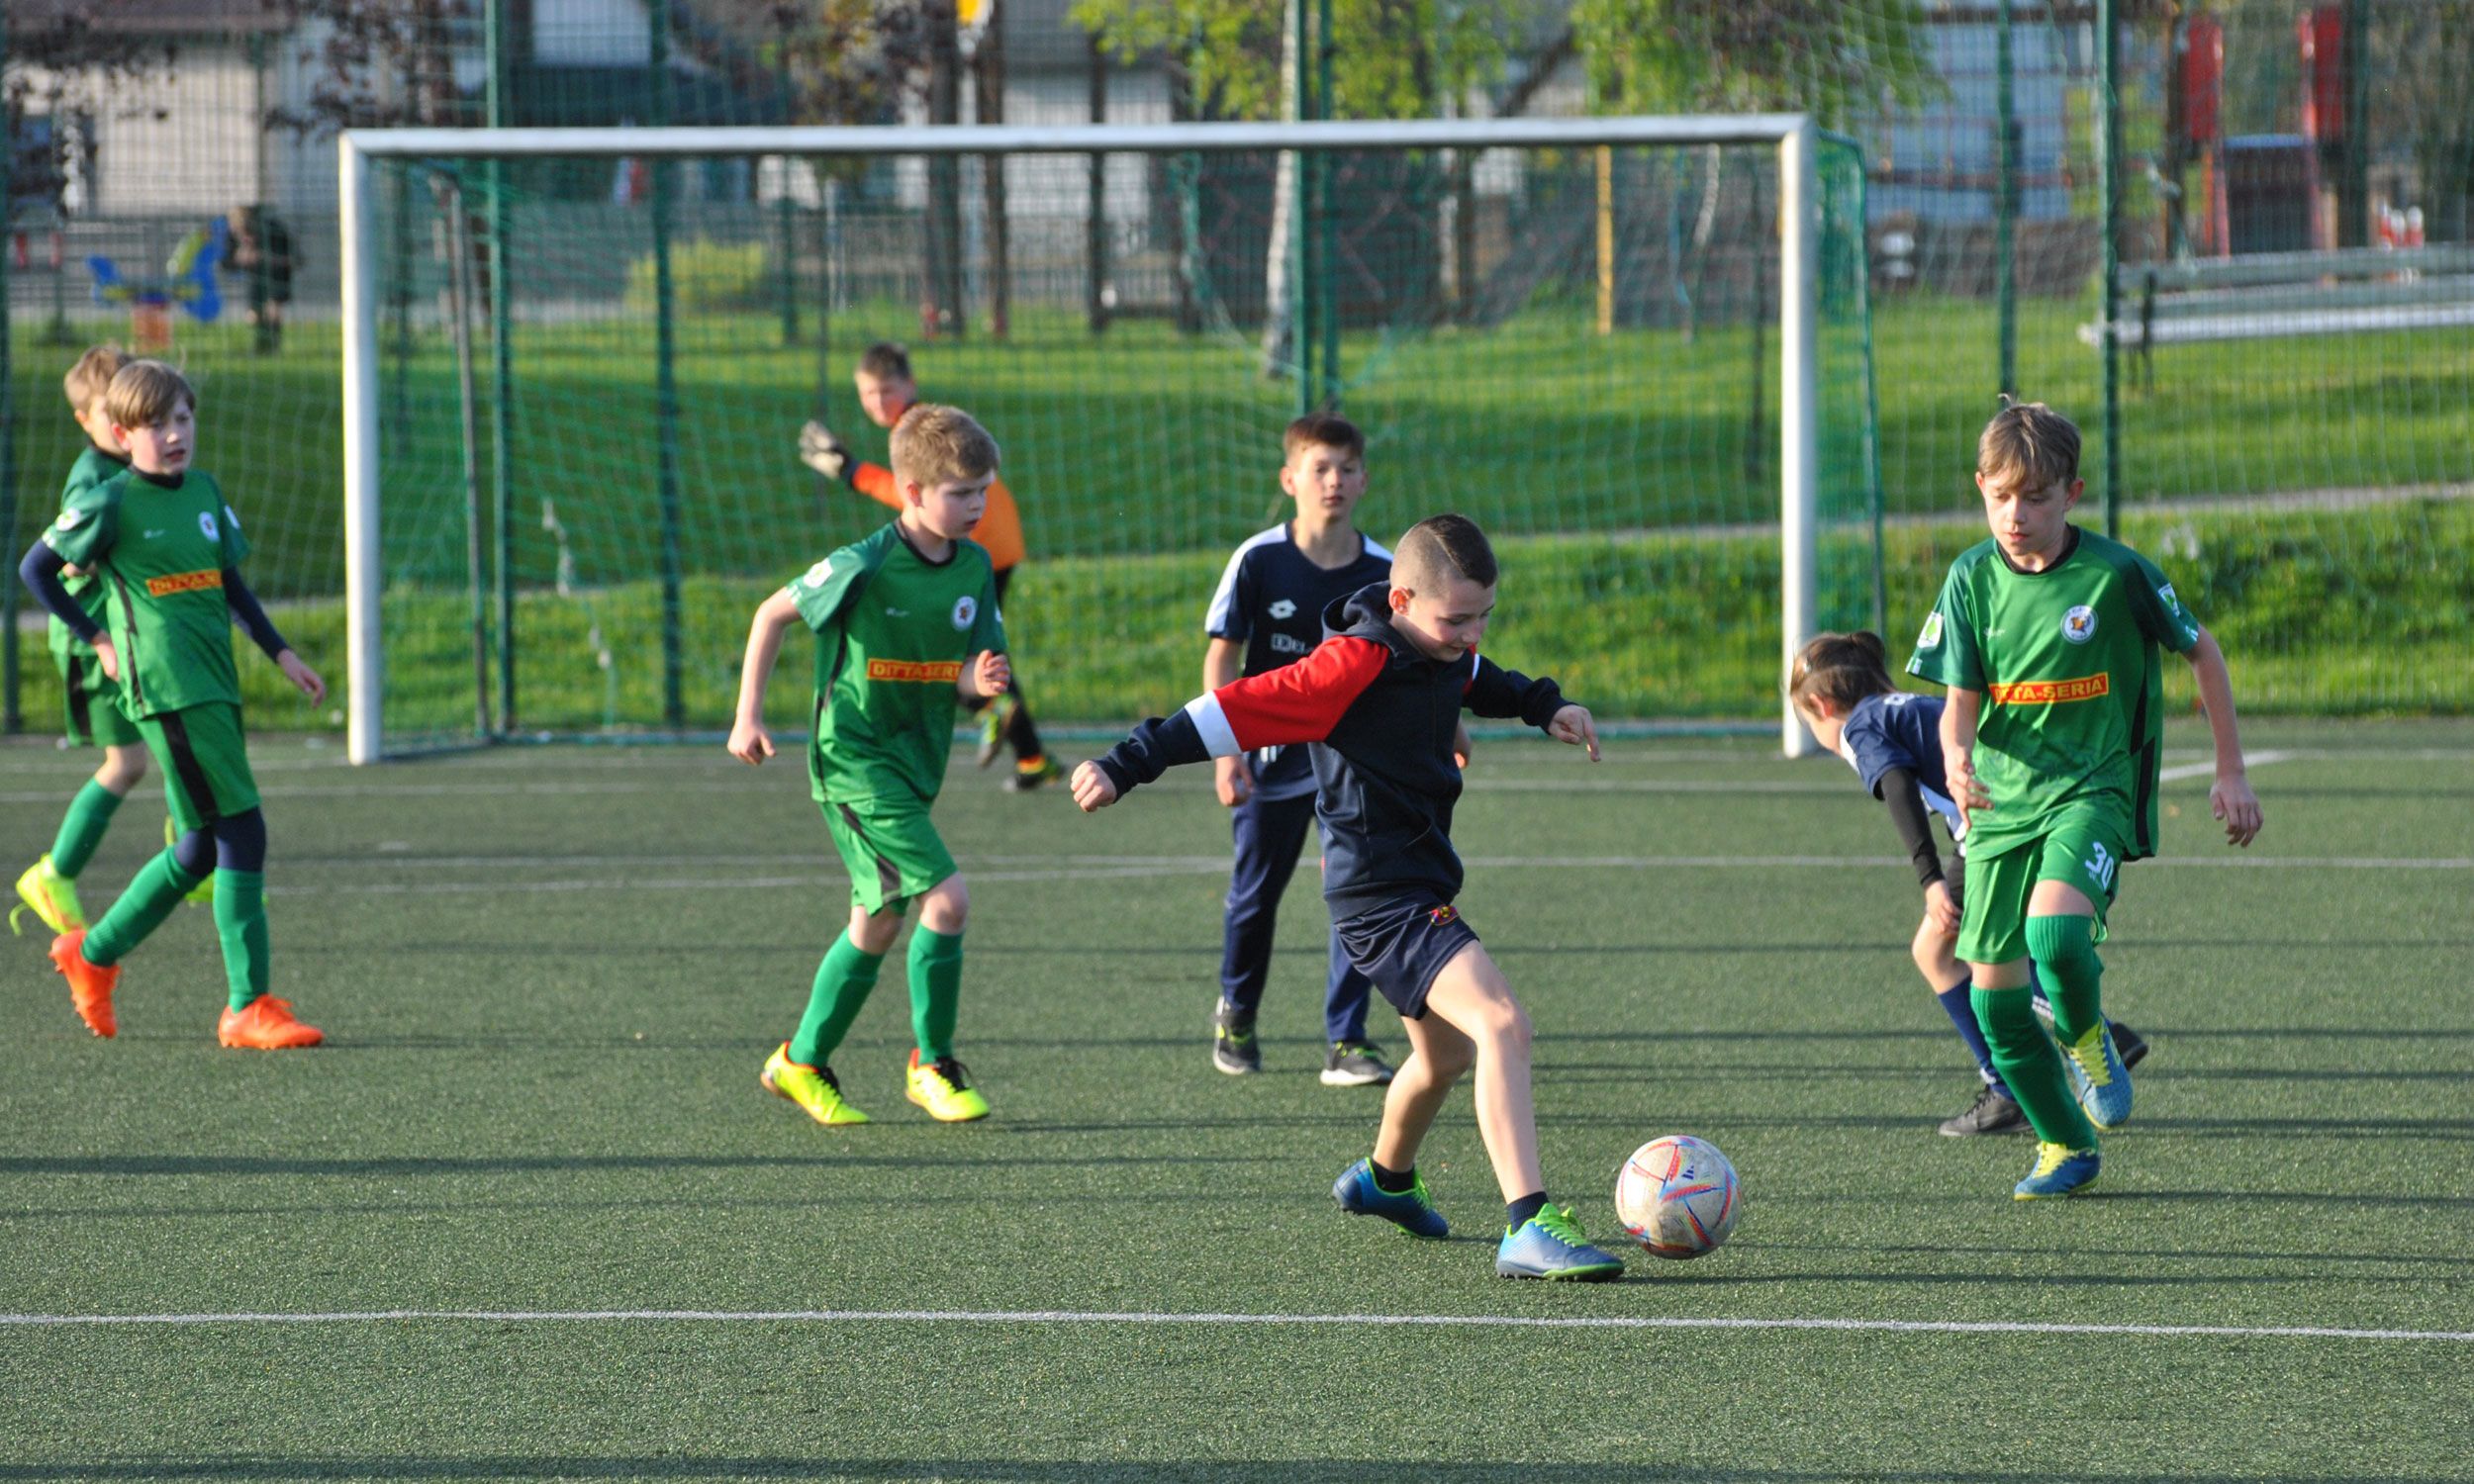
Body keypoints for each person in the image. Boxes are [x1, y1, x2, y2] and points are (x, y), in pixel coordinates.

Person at [1074, 513, 1628, 1280]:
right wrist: (1125, 762)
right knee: (1504, 1024)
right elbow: (1230, 707)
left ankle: (1386, 1181)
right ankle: (1528, 1224)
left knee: (1445, 1054)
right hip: (1382, 895)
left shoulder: (1439, 647)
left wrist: (1544, 706)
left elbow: (1478, 678)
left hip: (1413, 880)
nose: (1472, 633)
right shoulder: (1349, 666)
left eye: (1484, 616)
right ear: (1401, 601)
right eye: (1458, 619)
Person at [1907, 400, 2261, 1200]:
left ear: (2072, 493)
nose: (2017, 515)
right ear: (1981, 490)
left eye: (2035, 498)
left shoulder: (2116, 573)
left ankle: (2087, 1035)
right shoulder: (1969, 578)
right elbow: (1962, 695)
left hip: (2091, 789)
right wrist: (1956, 757)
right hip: (1999, 804)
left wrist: (2230, 769)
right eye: (2001, 496)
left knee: (2058, 934)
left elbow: (2201, 650)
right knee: (1995, 1005)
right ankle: (2065, 1145)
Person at [18, 359, 329, 1048]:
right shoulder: (110, 500)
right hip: (167, 690)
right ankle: (247, 1006)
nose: (173, 433)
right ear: (124, 436)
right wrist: (96, 636)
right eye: (155, 424)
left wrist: (282, 654)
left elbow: (231, 587)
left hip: (215, 684)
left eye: (182, 418)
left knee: (198, 849)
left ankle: (91, 954)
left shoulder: (206, 492)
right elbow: (36, 569)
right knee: (242, 830)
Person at [730, 403, 1012, 1126]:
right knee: (946, 901)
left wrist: (976, 686)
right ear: (911, 492)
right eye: (960, 493)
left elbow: (958, 675)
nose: (976, 506)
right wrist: (748, 715)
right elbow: (770, 615)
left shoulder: (975, 567)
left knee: (877, 922)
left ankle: (799, 1061)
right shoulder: (864, 562)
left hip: (915, 763)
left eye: (983, 491)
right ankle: (932, 1063)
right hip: (853, 762)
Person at [1789, 631, 2148, 1138]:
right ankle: (2060, 1058)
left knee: (1947, 954)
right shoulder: (1905, 706)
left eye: (1808, 722)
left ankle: (2027, 1078)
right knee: (1968, 953)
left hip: (1995, 831)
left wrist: (1930, 880)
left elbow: (1896, 787)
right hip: (2033, 811)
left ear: (1822, 705)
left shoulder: (1862, 725)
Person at [1201, 413, 1403, 1086]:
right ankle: (1238, 1012)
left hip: (1352, 764)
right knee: (1256, 895)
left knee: (1358, 894)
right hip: (1269, 760)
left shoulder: (1383, 571)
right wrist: (1226, 753)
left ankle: (1346, 1039)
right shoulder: (1259, 559)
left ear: (1364, 480)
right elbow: (1222, 657)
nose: (1334, 481)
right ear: (1291, 479)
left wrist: (1448, 730)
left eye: (1347, 468)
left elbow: (1412, 661)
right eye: (1320, 468)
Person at [797, 342, 1058, 791]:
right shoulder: (921, 426)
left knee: (946, 652)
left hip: (979, 546)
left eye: (886, 391)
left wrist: (851, 471)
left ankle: (990, 711)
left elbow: (911, 493)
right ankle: (1032, 757)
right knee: (970, 651)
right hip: (994, 540)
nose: (878, 403)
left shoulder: (918, 430)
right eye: (867, 395)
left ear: (910, 386)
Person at [13, 345, 161, 941]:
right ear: (86, 420)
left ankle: (193, 847)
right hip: (91, 644)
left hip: (131, 637)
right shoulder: (93, 482)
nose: (127, 423)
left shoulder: (140, 469)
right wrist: (95, 629)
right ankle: (55, 873)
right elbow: (58, 566)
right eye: (111, 413)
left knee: (168, 735)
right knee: (127, 763)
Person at [224, 205, 296, 354]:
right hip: (256, 279)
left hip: (277, 276)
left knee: (273, 310)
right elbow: (228, 262)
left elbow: (291, 258)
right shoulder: (234, 236)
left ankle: (273, 346)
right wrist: (240, 258)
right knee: (253, 315)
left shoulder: (273, 231)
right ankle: (260, 346)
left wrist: (263, 257)